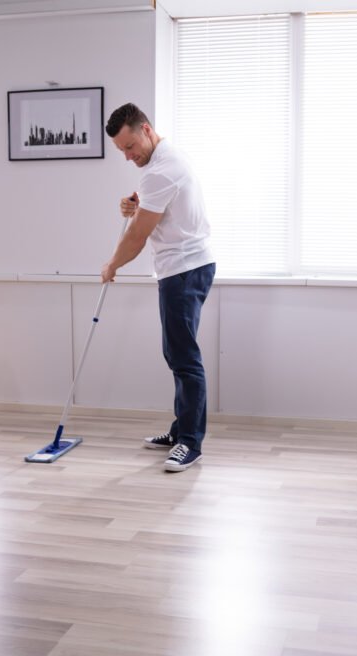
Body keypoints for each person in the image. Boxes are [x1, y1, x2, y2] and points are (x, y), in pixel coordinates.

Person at [102, 103, 216, 473]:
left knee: (183, 358)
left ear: (147, 129)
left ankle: (190, 443)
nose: (127, 155)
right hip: (185, 266)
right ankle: (181, 428)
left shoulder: (161, 170)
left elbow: (137, 236)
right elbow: (153, 208)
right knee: (176, 353)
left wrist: (112, 264)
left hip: (183, 270)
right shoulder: (161, 161)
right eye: (121, 150)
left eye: (131, 146)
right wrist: (134, 205)